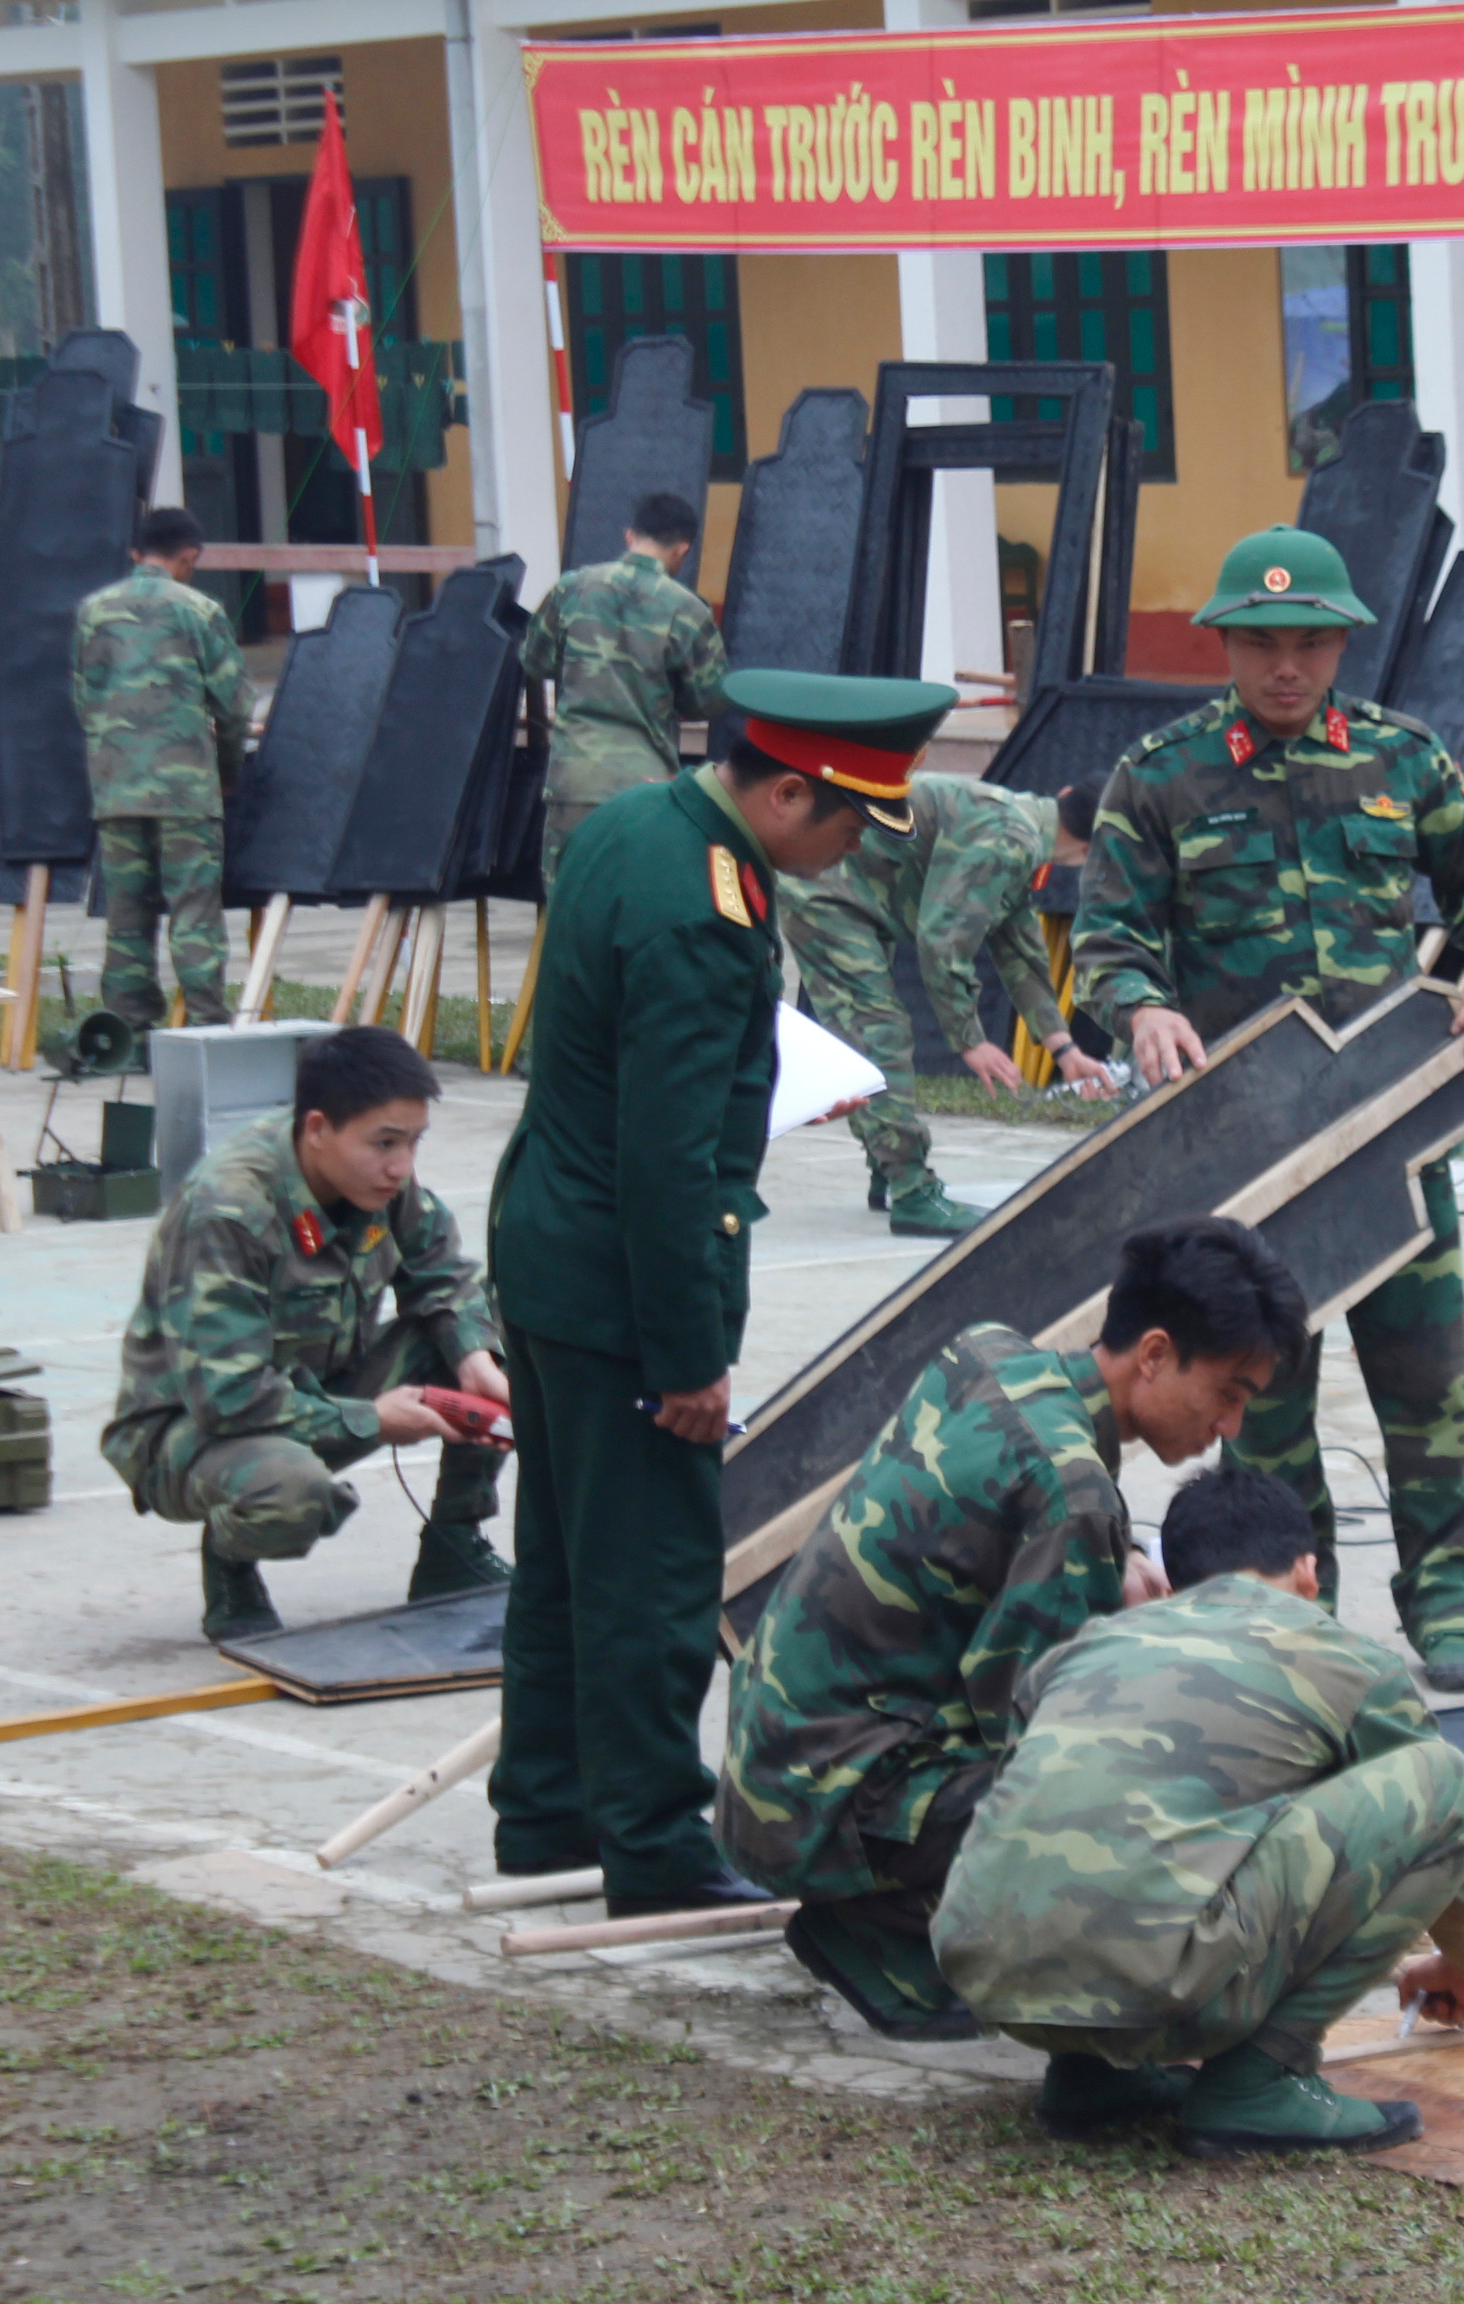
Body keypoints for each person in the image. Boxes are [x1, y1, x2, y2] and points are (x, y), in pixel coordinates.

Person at [487, 666, 953, 1916]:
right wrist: (688, 1357)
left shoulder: (638, 823)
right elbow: (670, 1159)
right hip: (617, 1278)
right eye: (853, 824)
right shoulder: (706, 912)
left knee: (565, 1564)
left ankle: (544, 1817)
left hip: (546, 1246)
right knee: (649, 1575)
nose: (857, 850)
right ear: (790, 792)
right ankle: (650, 1844)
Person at [1073, 525, 1464, 1693]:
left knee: (1429, 1380)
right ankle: (1292, 1604)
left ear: (1341, 644)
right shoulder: (1164, 774)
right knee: (1262, 1400)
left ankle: (1451, 1608)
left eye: (1312, 645)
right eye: (1265, 644)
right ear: (1227, 644)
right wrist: (1139, 1008)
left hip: (1390, 1131)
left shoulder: (1401, 759)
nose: (1289, 667)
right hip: (1248, 1156)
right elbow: (1108, 938)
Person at [720, 1215, 1308, 2037]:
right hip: (818, 1812)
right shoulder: (1073, 1498)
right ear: (1154, 1355)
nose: (1232, 1428)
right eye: (1230, 1394)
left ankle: (888, 1904)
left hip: (769, 1760)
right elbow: (1043, 1751)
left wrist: (1109, 1562)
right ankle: (894, 1937)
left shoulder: (992, 1354)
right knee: (1140, 1794)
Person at [932, 1462, 1464, 2157]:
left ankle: (1088, 2077)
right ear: (1308, 1572)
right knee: (1442, 1780)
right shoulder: (1346, 1659)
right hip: (1161, 1987)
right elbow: (1449, 1831)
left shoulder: (1080, 1651)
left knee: (1128, 1816)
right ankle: (1259, 2080)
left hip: (986, 1974)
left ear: (1174, 1584)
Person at [100, 1026, 508, 1642]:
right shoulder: (230, 1210)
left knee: (503, 1336)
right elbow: (230, 1398)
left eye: (413, 1142)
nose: (402, 1166)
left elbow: (444, 1278)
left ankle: (453, 1543)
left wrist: (476, 1358)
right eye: (386, 1143)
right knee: (291, 1493)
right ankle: (231, 1560)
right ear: (317, 1129)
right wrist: (375, 1418)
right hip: (190, 1432)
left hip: (315, 1389)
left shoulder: (375, 1181)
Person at [779, 773, 1114, 1238]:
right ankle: (911, 1190)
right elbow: (943, 941)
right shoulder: (1009, 840)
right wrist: (969, 1040)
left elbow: (1021, 951)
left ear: (1062, 795)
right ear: (1090, 853)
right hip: (825, 891)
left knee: (875, 1034)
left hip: (856, 893)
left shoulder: (1022, 826)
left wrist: (1064, 1050)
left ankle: (888, 1164)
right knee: (879, 1032)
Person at [73, 504, 252, 1030]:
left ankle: (128, 1029)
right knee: (193, 911)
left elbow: (85, 699)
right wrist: (227, 772)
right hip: (186, 792)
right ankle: (206, 1026)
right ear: (190, 555)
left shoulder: (93, 610)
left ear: (136, 554)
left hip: (117, 788)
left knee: (126, 915)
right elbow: (234, 707)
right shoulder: (199, 610)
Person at [521, 491, 730, 888]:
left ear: (630, 535)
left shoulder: (573, 588)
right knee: (638, 909)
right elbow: (710, 699)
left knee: (571, 909)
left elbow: (535, 660)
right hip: (647, 788)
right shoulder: (687, 609)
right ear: (682, 549)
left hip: (576, 780)